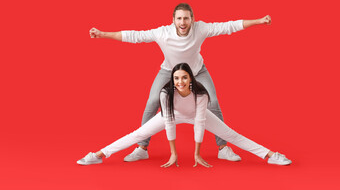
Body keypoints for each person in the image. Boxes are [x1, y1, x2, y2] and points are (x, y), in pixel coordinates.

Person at [89, 3, 272, 162]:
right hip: (169, 71)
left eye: (186, 18)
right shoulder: (163, 33)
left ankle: (223, 148)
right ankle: (142, 148)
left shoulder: (200, 29)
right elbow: (134, 36)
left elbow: (228, 26)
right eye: (179, 19)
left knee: (213, 101)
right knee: (153, 101)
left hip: (197, 72)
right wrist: (103, 34)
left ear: (192, 19)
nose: (182, 23)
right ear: (173, 20)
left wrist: (257, 21)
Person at [77, 63, 292, 167]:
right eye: (176, 78)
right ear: (173, 79)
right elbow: (169, 122)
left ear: (191, 78)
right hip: (172, 114)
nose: (180, 81)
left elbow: (199, 124)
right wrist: (174, 153)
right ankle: (98, 155)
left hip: (198, 114)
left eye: (184, 77)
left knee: (232, 135)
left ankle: (270, 155)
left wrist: (197, 154)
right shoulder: (165, 93)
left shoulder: (201, 94)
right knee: (137, 135)